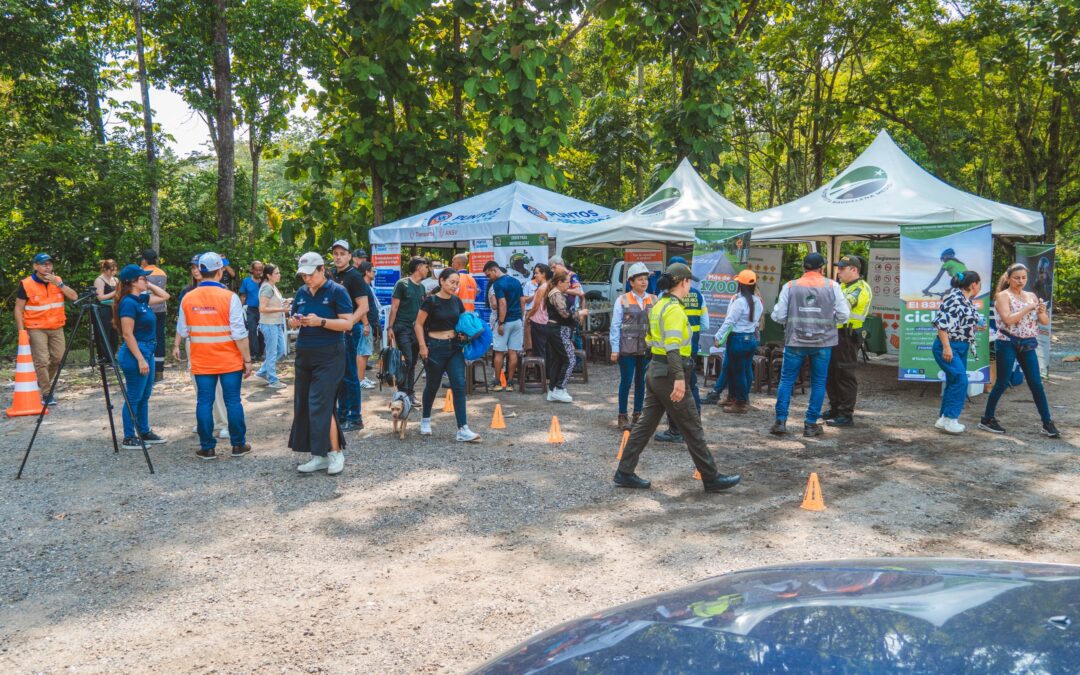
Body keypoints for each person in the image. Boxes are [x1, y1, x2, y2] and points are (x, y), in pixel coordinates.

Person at [613, 263, 742, 493]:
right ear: (683, 282)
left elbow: (652, 339)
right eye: (689, 281)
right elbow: (673, 346)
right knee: (692, 425)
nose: (690, 285)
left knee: (644, 426)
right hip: (670, 373)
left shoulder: (660, 304)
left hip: (656, 370)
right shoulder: (673, 309)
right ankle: (711, 477)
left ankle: (624, 472)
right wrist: (680, 378)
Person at [176, 252, 253, 460]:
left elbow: (183, 331)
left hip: (202, 360)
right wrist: (247, 360)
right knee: (233, 402)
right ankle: (238, 445)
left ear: (200, 272)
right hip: (229, 360)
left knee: (204, 402)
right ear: (220, 272)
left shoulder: (188, 298)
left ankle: (207, 447)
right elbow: (239, 333)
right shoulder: (230, 297)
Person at [769, 252, 850, 437]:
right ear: (822, 268)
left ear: (803, 268)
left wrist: (792, 323)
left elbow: (779, 315)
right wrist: (831, 323)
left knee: (787, 380)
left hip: (795, 341)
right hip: (823, 342)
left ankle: (780, 422)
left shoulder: (791, 286)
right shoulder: (832, 286)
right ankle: (810, 424)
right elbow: (844, 314)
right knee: (819, 382)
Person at [288, 252, 354, 474]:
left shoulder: (337, 291)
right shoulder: (302, 292)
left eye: (309, 274)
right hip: (305, 353)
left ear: (321, 269)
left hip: (330, 354)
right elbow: (292, 317)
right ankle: (319, 455)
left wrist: (321, 321)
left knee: (321, 403)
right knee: (305, 404)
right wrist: (295, 321)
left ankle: (335, 453)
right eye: (302, 275)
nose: (306, 279)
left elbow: (347, 324)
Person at [979, 264, 1059, 438]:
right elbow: (1008, 320)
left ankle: (1047, 422)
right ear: (1008, 278)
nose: (1021, 281)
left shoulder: (1031, 295)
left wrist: (1041, 311)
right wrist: (1027, 308)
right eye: (1017, 277)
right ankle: (987, 418)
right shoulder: (1003, 296)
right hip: (1007, 341)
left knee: (1036, 383)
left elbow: (1043, 321)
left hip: (1028, 342)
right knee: (1002, 381)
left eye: (1023, 277)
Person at [415, 269, 480, 442]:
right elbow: (418, 325)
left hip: (454, 348)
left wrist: (466, 334)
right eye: (452, 282)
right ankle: (425, 420)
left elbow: (462, 323)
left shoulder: (457, 301)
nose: (455, 286)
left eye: (457, 283)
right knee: (432, 385)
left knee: (459, 384)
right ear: (441, 281)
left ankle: (462, 428)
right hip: (434, 347)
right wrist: (423, 346)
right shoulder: (431, 301)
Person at [113, 264, 170, 449]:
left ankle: (144, 431)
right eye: (143, 278)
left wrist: (149, 285)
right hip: (135, 353)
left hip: (148, 351)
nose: (147, 280)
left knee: (145, 395)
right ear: (131, 282)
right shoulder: (128, 303)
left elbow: (164, 297)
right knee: (134, 396)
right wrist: (140, 359)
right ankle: (129, 437)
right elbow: (128, 334)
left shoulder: (141, 300)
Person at [173, 255, 230, 440]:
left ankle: (224, 422)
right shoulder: (188, 292)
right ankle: (207, 422)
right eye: (193, 267)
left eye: (198, 266)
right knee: (200, 385)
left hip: (217, 344)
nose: (195, 270)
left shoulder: (222, 290)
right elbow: (182, 322)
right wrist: (177, 344)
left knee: (218, 386)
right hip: (194, 343)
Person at [655, 257, 710, 443]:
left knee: (677, 390)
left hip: (672, 353)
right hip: (690, 346)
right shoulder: (698, 295)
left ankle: (677, 430)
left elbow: (666, 339)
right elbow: (706, 324)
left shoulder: (664, 299)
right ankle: (694, 425)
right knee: (690, 386)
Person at [14, 253, 78, 404]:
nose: (47, 267)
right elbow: (18, 309)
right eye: (43, 264)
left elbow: (74, 297)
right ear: (35, 266)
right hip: (36, 328)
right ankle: (47, 393)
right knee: (42, 361)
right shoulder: (26, 284)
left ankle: (42, 382)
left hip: (56, 327)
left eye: (49, 264)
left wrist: (59, 284)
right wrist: (21, 331)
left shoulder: (58, 281)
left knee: (58, 358)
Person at [930, 270, 984, 435]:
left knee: (954, 380)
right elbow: (942, 325)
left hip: (961, 346)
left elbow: (963, 322)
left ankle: (944, 419)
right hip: (948, 346)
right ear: (973, 284)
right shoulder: (955, 299)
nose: (980, 287)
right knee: (960, 380)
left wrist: (976, 325)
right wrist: (947, 347)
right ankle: (951, 419)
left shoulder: (966, 300)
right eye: (979, 284)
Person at [822, 255, 873, 427]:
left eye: (842, 268)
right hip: (834, 334)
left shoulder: (860, 288)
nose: (838, 271)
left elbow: (841, 307)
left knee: (844, 375)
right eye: (838, 268)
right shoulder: (842, 286)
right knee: (831, 373)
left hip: (847, 337)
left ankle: (845, 414)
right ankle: (835, 408)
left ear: (854, 270)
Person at [609, 262, 655, 430]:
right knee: (626, 382)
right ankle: (622, 416)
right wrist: (615, 349)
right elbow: (615, 325)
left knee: (641, 382)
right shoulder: (622, 300)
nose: (644, 282)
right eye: (640, 279)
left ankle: (638, 414)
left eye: (646, 279)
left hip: (645, 349)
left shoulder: (654, 299)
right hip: (626, 349)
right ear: (631, 282)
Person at [329, 239, 369, 431]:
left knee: (351, 375)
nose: (338, 257)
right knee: (340, 375)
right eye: (335, 254)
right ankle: (343, 414)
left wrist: (348, 324)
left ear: (349, 256)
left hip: (350, 331)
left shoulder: (354, 276)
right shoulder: (333, 275)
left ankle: (355, 417)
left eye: (342, 254)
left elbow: (364, 307)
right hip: (336, 331)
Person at [712, 269, 763, 414]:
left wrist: (718, 337)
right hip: (750, 339)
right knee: (746, 370)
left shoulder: (739, 302)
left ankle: (740, 403)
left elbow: (729, 321)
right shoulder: (757, 301)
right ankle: (741, 398)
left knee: (737, 372)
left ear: (740, 284)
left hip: (738, 340)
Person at [388, 256, 429, 404]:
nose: (427, 270)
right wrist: (390, 328)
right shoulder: (402, 284)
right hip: (402, 327)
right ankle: (402, 394)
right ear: (418, 267)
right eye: (425, 267)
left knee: (412, 363)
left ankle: (410, 394)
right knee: (407, 360)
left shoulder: (422, 287)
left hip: (416, 329)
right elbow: (394, 307)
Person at [545, 271, 588, 403]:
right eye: (567, 282)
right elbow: (564, 314)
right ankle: (559, 388)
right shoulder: (556, 294)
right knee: (570, 359)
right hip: (559, 330)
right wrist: (580, 312)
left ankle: (553, 390)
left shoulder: (555, 292)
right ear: (559, 282)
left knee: (558, 360)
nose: (569, 285)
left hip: (555, 329)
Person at [485, 260, 524, 390]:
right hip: (517, 321)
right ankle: (510, 383)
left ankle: (497, 382)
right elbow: (522, 301)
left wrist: (501, 322)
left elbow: (502, 303)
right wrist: (521, 318)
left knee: (499, 352)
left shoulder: (498, 284)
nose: (488, 278)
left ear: (494, 270)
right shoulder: (516, 281)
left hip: (505, 322)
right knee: (513, 352)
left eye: (488, 275)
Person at [254, 263, 289, 389]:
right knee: (272, 352)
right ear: (268, 276)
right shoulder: (267, 287)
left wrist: (285, 302)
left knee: (280, 350)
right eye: (276, 273)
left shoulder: (273, 287)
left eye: (279, 272)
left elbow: (273, 302)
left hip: (276, 323)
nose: (279, 275)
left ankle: (261, 372)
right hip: (269, 324)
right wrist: (281, 309)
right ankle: (273, 380)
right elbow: (262, 308)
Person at [140, 249, 169, 382]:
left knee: (147, 338)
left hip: (148, 309)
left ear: (144, 260)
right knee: (160, 337)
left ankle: (148, 367)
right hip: (161, 309)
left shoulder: (144, 273)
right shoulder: (162, 273)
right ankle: (159, 370)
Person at [357, 261, 380, 389]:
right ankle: (359, 380)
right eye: (373, 270)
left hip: (369, 322)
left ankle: (361, 377)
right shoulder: (362, 287)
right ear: (366, 272)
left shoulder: (366, 285)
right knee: (363, 352)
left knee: (365, 352)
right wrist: (365, 324)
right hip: (364, 324)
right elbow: (362, 307)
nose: (375, 273)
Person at [523, 263, 551, 360]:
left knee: (539, 350)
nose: (535, 275)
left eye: (537, 273)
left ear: (543, 274)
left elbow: (535, 307)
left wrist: (527, 317)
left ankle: (541, 374)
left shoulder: (542, 288)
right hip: (545, 320)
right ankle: (545, 373)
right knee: (544, 349)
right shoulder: (548, 286)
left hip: (538, 321)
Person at [239, 260, 266, 361]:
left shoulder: (265, 281)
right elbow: (243, 295)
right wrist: (240, 308)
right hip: (250, 309)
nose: (258, 272)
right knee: (252, 330)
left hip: (263, 309)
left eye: (260, 270)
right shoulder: (246, 281)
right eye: (256, 270)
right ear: (252, 270)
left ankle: (261, 352)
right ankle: (254, 353)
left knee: (263, 330)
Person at [93, 259, 119, 358]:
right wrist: (115, 292)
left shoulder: (115, 280)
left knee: (114, 332)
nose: (113, 272)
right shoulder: (99, 280)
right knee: (104, 332)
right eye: (111, 270)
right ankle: (104, 356)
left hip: (114, 308)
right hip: (103, 309)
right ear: (105, 269)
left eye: (115, 270)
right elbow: (100, 297)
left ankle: (112, 354)